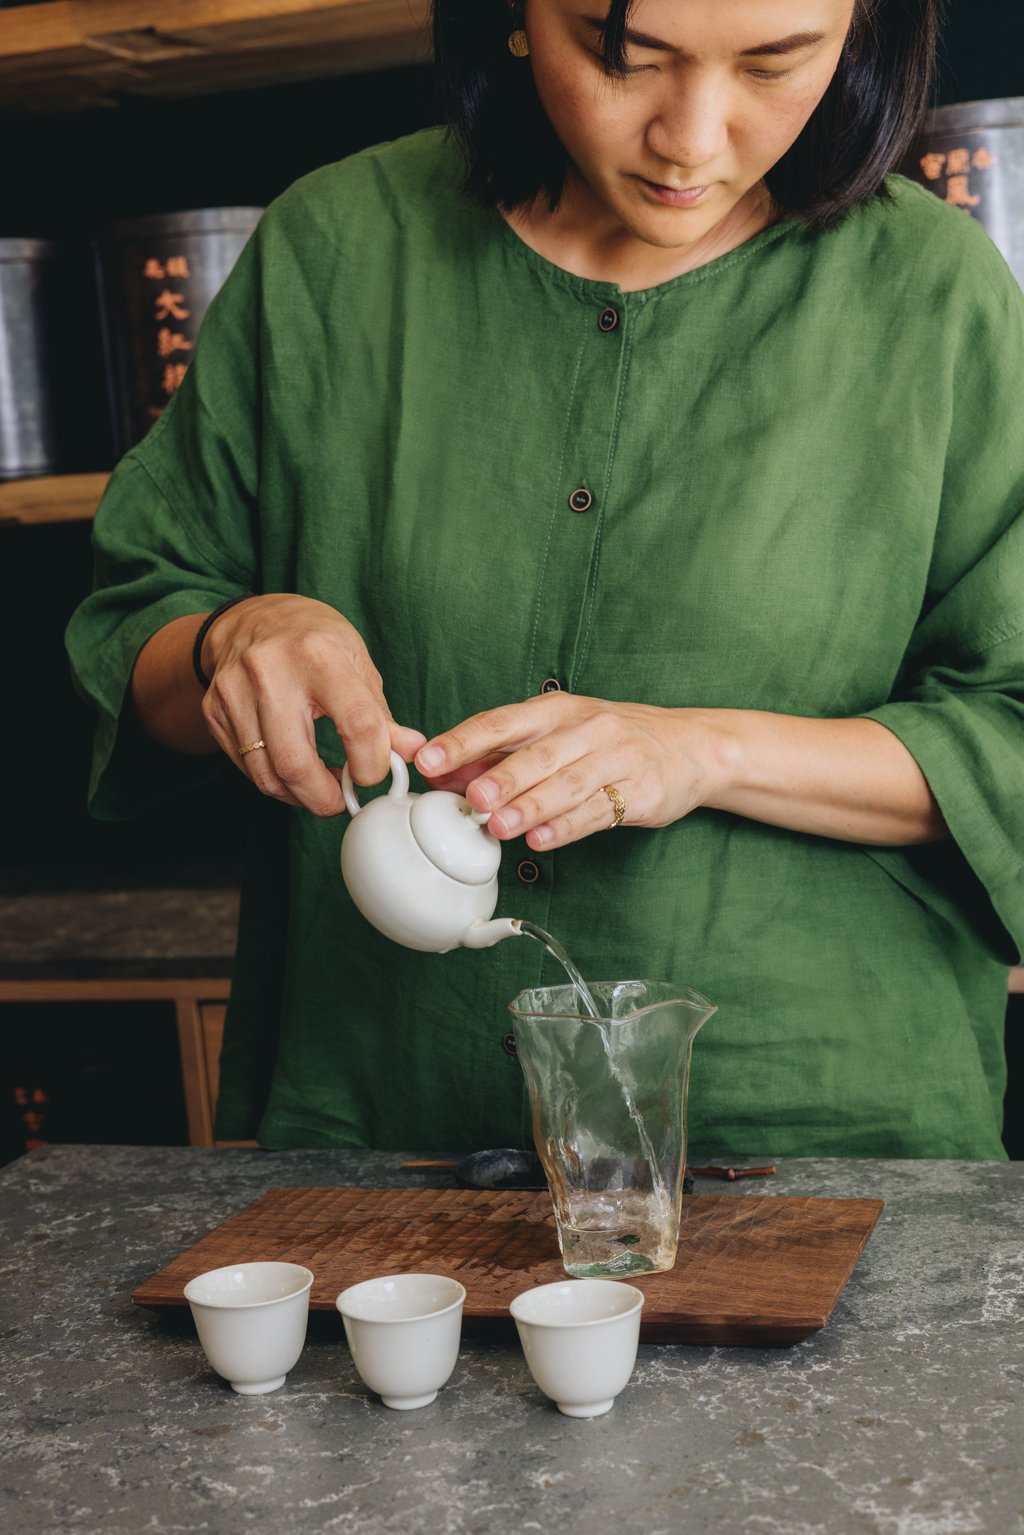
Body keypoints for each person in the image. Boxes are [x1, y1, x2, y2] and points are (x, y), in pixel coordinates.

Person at [66, 0, 1023, 1159]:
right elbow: (139, 624)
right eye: (626, 56)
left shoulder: (932, 290)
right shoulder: (338, 248)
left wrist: (701, 751)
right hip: (384, 1115)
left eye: (776, 63)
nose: (692, 137)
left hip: (819, 1132)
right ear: (511, 17)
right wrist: (235, 637)